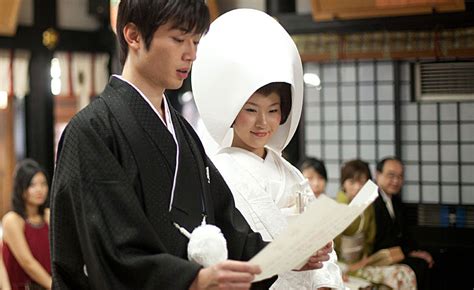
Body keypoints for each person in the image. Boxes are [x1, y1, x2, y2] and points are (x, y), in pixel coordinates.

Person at [50, 1, 328, 289]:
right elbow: (110, 250)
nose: (191, 54)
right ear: (133, 36)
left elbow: (224, 223)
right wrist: (190, 280)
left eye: (195, 41)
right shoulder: (92, 132)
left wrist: (284, 255)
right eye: (178, 39)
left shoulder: (183, 131)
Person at [192, 9, 343, 289]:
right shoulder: (216, 173)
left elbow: (323, 246)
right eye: (251, 110)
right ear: (232, 111)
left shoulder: (292, 174)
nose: (263, 122)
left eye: (273, 110)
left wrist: (325, 280)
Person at [334, 159, 416, 290]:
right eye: (352, 182)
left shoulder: (368, 206)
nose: (357, 187)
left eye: (362, 183)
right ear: (343, 184)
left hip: (363, 263)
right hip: (341, 265)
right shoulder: (336, 208)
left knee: (405, 272)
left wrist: (365, 260)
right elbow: (331, 247)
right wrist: (341, 269)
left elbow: (369, 240)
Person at [375, 157, 434, 290]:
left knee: (428, 261)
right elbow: (381, 239)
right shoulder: (372, 203)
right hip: (379, 256)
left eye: (400, 176)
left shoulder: (396, 202)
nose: (396, 181)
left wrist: (415, 251)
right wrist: (409, 253)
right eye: (391, 175)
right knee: (417, 267)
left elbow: (405, 234)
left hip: (398, 252)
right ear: (377, 175)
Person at [2, 159, 51, 290]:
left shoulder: (48, 215)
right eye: (32, 185)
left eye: (43, 184)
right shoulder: (12, 220)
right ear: (21, 188)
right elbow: (27, 263)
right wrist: (55, 286)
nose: (40, 189)